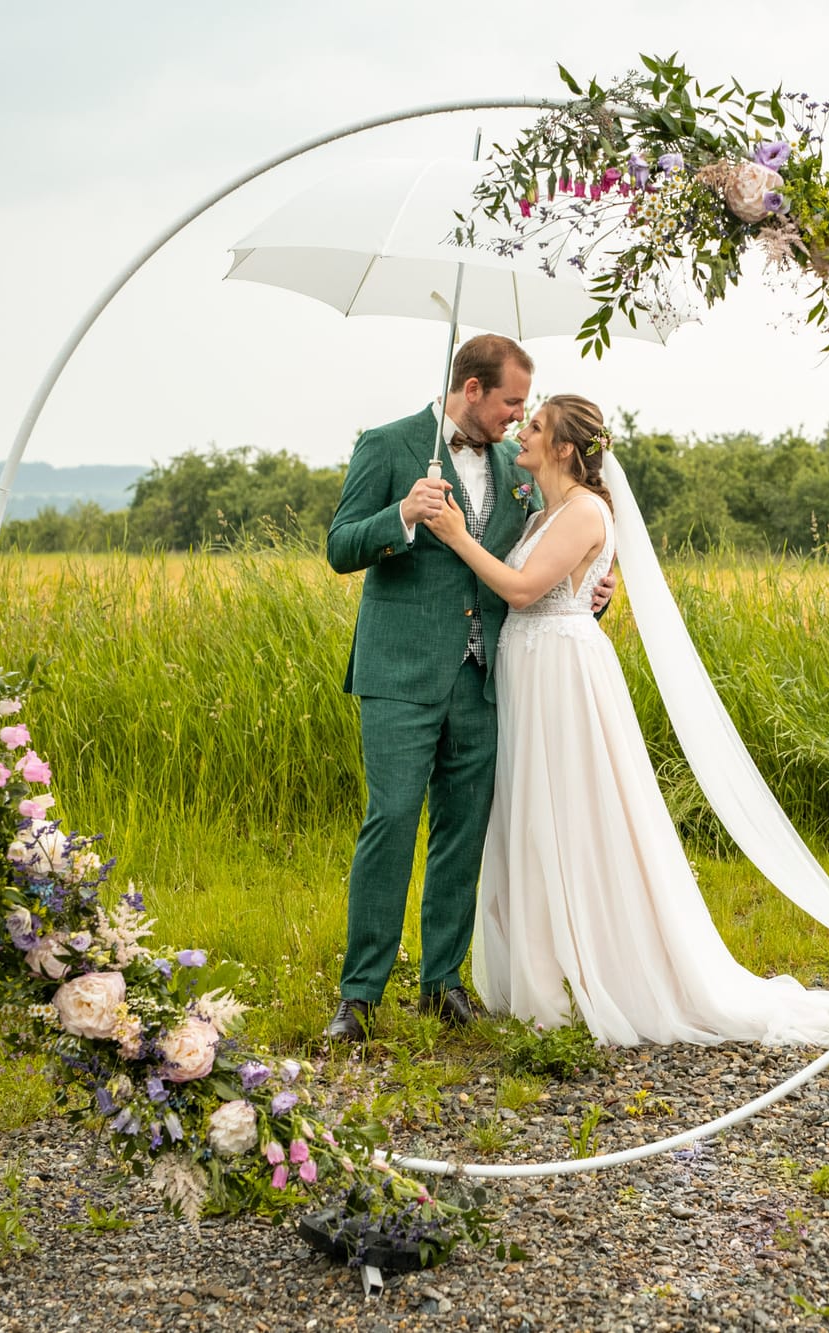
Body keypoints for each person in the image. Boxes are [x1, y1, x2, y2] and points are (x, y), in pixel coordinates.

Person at [423, 394, 829, 1045]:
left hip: (562, 675)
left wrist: (457, 535)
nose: (523, 430)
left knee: (569, 818)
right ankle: (543, 977)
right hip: (527, 667)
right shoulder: (541, 511)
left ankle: (598, 971)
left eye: (537, 425)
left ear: (567, 449)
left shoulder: (584, 510)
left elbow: (522, 590)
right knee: (528, 817)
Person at [323, 335, 611, 1039]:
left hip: (487, 677)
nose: (519, 416)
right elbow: (339, 546)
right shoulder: (389, 445)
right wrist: (402, 517)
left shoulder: (517, 465)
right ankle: (359, 995)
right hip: (401, 672)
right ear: (473, 389)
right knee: (391, 820)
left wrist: (589, 596)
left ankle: (442, 981)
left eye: (526, 406)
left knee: (464, 830)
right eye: (512, 401)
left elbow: (537, 557)